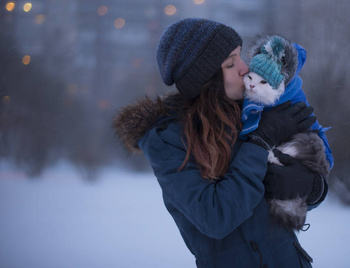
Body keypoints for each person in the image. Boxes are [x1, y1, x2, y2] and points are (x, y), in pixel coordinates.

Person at [113, 18, 329, 268]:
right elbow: (216, 218)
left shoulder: (255, 112)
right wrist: (259, 143)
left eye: (239, 56)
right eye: (230, 64)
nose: (244, 68)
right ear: (205, 81)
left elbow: (306, 183)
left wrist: (313, 189)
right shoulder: (166, 139)